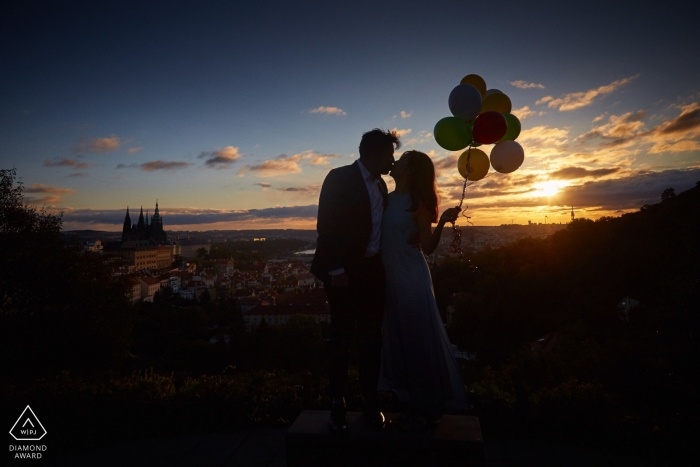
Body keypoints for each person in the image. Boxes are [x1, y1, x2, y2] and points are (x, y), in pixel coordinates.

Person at [311, 128, 401, 434]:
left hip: (371, 270)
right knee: (341, 338)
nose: (392, 160)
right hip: (344, 273)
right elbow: (327, 224)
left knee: (371, 339)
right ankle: (338, 403)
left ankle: (369, 400)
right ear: (374, 153)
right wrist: (336, 270)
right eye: (389, 154)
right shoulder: (339, 178)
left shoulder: (381, 186)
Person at [378, 150, 469, 431]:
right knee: (401, 341)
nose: (394, 162)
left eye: (401, 160)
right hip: (389, 278)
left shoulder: (418, 204)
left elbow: (427, 248)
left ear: (409, 171)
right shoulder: (385, 198)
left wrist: (441, 222)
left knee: (416, 342)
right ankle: (410, 404)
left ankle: (426, 406)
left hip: (411, 277)